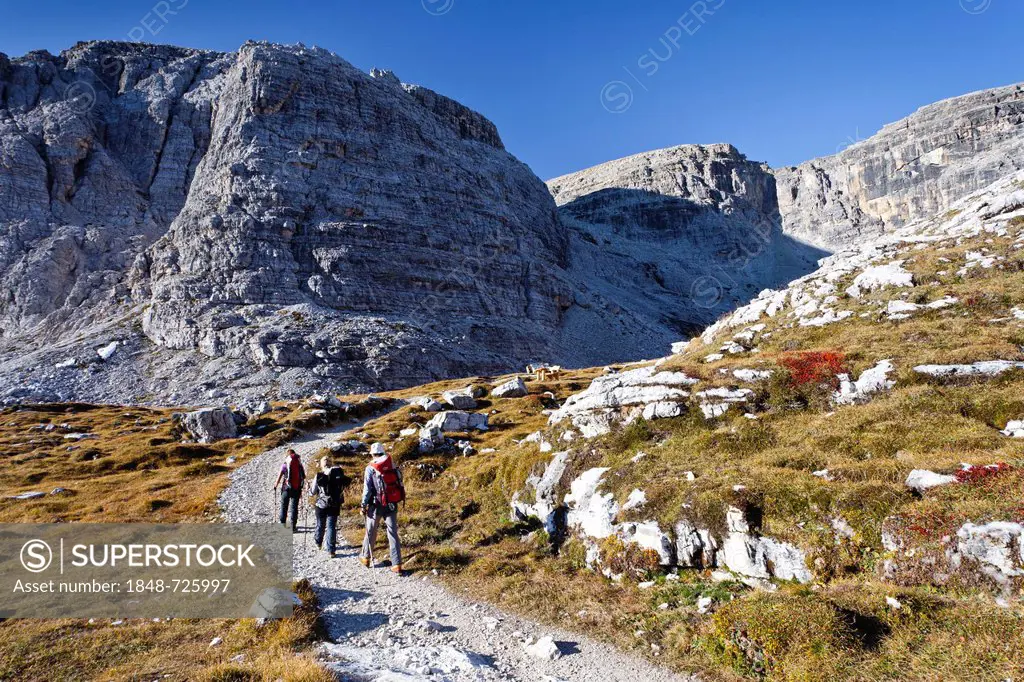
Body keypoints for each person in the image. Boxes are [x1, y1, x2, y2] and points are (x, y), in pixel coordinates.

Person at [359, 442, 405, 573]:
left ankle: (366, 557)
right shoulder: (392, 464)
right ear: (383, 452)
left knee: (371, 530)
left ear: (373, 454)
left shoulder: (370, 468)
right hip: (392, 503)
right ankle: (397, 564)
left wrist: (363, 505)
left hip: (376, 504)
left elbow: (367, 489)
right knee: (393, 532)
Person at [310, 455, 347, 557]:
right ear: (331, 463)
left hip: (321, 504)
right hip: (334, 504)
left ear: (322, 465)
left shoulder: (319, 475)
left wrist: (309, 492)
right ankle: (331, 550)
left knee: (320, 524)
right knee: (331, 526)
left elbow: (312, 492)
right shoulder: (337, 474)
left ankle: (318, 542)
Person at [274, 448, 305, 532]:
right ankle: (293, 527)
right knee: (294, 507)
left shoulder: (285, 465)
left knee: (284, 506)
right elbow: (303, 476)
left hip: (286, 488)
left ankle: (282, 525)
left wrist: (275, 485)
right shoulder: (299, 464)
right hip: (297, 488)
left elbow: (279, 476)